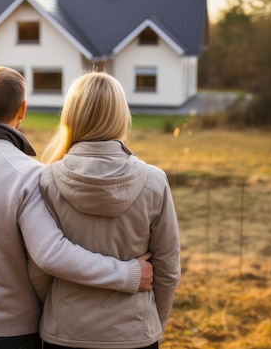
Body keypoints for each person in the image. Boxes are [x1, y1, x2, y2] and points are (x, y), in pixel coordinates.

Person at [0, 66, 154, 349]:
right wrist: (127, 274)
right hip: (13, 335)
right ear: (22, 110)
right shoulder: (28, 174)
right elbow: (50, 254)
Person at [39, 71, 181, 349]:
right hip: (135, 334)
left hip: (64, 333)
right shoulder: (154, 181)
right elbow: (168, 268)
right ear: (121, 115)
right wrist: (154, 324)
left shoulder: (47, 180)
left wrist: (54, 314)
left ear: (71, 115)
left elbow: (38, 269)